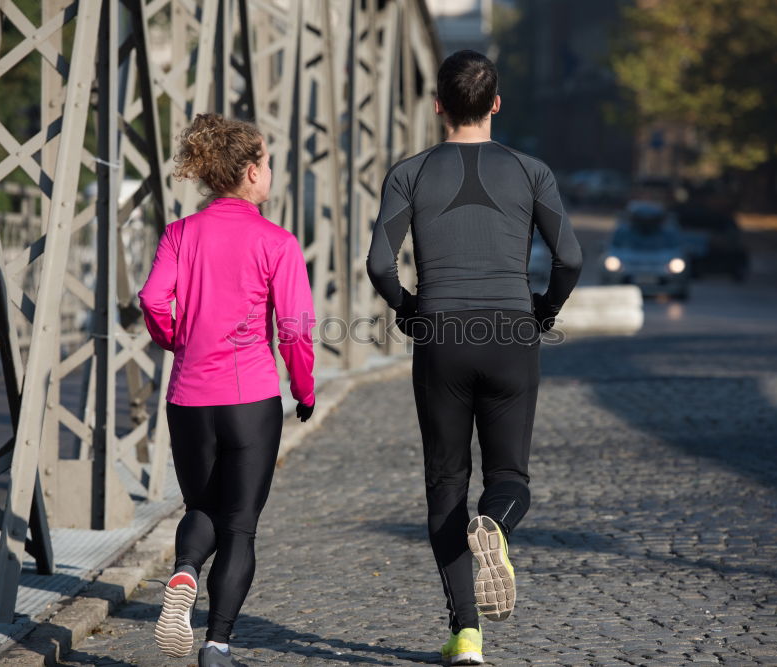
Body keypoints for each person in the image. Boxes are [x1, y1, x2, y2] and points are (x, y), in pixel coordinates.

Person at [365, 50, 583, 665]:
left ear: (437, 104)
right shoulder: (531, 171)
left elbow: (381, 264)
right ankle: (498, 528)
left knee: (445, 485)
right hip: (512, 331)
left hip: (440, 334)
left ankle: (466, 636)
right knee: (509, 478)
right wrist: (542, 313)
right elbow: (569, 259)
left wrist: (409, 309)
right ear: (496, 103)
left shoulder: (408, 174)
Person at [138, 114, 316, 667]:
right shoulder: (277, 242)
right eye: (265, 163)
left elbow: (150, 298)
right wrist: (304, 390)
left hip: (189, 398)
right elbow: (295, 329)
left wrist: (177, 341)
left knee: (201, 506)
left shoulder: (180, 233)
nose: (269, 172)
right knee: (239, 524)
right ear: (249, 172)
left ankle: (185, 571)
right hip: (251, 400)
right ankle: (216, 646)